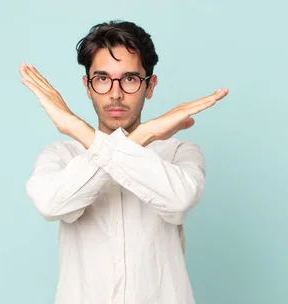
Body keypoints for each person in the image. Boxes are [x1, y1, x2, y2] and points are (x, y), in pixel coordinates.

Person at [19, 20, 228, 304]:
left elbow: (179, 200)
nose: (115, 93)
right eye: (103, 79)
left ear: (149, 86)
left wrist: (76, 126)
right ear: (87, 86)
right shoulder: (60, 155)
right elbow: (51, 204)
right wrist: (142, 135)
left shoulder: (181, 152)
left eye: (129, 79)